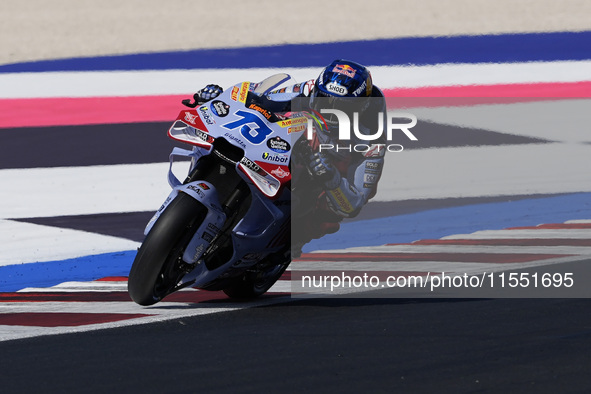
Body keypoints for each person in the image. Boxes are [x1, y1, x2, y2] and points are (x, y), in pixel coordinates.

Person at [191, 59, 386, 255]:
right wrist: (220, 99)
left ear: (361, 108)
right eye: (324, 99)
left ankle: (289, 240)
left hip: (323, 171)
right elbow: (259, 96)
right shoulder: (309, 89)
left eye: (341, 107)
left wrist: (330, 177)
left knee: (329, 212)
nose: (329, 109)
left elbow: (354, 204)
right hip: (286, 144)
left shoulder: (371, 137)